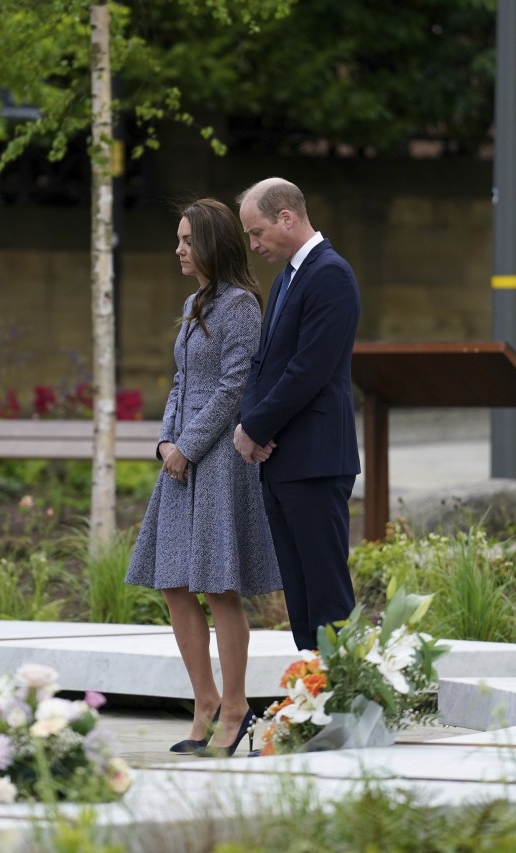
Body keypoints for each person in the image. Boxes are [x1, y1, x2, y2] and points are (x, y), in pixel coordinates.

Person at [127, 197, 281, 758]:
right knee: (173, 583)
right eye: (179, 239)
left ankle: (236, 706)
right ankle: (206, 701)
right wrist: (166, 441)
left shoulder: (240, 305)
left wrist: (189, 446)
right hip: (181, 461)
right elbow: (180, 381)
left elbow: (234, 388)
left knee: (218, 587)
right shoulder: (196, 302)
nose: (179, 249)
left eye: (188, 240)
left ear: (213, 243)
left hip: (217, 464)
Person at [232, 177, 361, 653]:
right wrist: (248, 425)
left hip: (315, 459)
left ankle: (346, 709)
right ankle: (313, 701)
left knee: (327, 597)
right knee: (301, 600)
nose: (253, 244)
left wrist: (257, 427)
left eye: (257, 231)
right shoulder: (288, 276)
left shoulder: (330, 274)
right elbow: (263, 363)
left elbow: (310, 368)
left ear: (286, 218)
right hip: (282, 460)